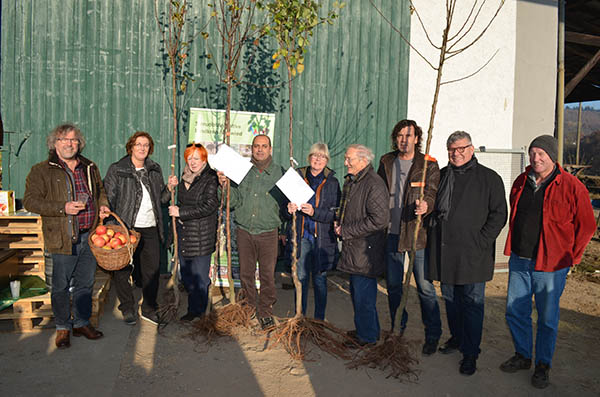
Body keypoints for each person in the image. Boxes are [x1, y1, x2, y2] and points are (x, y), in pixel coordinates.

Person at [500, 135, 596, 389]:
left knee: (546, 317)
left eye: (542, 153)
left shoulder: (572, 186)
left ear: (553, 157)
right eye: (533, 153)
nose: (536, 158)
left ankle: (543, 364)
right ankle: (523, 355)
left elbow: (586, 226)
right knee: (515, 311)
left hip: (552, 265)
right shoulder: (522, 181)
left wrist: (571, 257)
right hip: (520, 259)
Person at [427, 131, 507, 375]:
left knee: (472, 303)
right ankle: (457, 338)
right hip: (447, 253)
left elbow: (499, 214)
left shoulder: (489, 178)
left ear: (471, 149)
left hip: (474, 254)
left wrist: (481, 241)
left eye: (461, 148)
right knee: (451, 300)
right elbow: (432, 207)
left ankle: (471, 352)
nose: (456, 153)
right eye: (452, 149)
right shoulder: (441, 176)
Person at [23, 123, 110, 349]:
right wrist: (63, 207)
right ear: (54, 144)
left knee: (85, 283)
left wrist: (103, 206)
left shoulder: (89, 167)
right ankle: (63, 327)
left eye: (73, 140)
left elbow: (100, 192)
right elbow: (31, 201)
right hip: (61, 238)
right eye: (64, 140)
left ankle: (81, 322)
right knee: (60, 286)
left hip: (89, 235)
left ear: (79, 143)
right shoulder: (41, 170)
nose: (69, 144)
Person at [377, 119, 442, 355]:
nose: (404, 140)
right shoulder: (386, 161)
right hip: (392, 233)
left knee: (425, 287)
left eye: (409, 135)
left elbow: (432, 192)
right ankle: (398, 327)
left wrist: (426, 205)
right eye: (400, 135)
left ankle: (433, 334)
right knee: (394, 286)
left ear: (417, 138)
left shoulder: (428, 164)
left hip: (417, 235)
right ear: (396, 138)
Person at [217, 135, 286, 329]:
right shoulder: (241, 171)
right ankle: (248, 307)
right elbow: (233, 202)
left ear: (270, 149)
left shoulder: (280, 173)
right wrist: (224, 185)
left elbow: (288, 203)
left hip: (268, 232)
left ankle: (265, 311)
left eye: (264, 146)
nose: (260, 150)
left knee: (267, 275)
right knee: (246, 274)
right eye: (256, 146)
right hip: (245, 231)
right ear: (252, 149)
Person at [103, 131, 171, 326]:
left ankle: (149, 308)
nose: (142, 148)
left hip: (150, 226)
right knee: (122, 269)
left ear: (150, 149)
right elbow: (108, 196)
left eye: (146, 145)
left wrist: (170, 189)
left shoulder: (154, 169)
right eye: (139, 144)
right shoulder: (118, 169)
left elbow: (161, 200)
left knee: (152, 270)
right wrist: (108, 217)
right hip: (127, 227)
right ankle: (127, 307)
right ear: (131, 146)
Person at [336, 144, 389, 346]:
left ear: (363, 160)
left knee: (363, 298)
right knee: (359, 295)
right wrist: (339, 221)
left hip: (365, 252)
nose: (345, 162)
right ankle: (368, 331)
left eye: (349, 159)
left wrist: (347, 230)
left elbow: (379, 220)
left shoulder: (373, 184)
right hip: (356, 249)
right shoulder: (355, 181)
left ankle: (366, 338)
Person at [286, 143, 340, 320]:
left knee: (319, 279)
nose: (318, 159)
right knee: (300, 278)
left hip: (322, 237)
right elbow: (283, 210)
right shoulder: (297, 177)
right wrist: (289, 208)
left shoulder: (332, 182)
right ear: (309, 158)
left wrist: (314, 212)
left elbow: (335, 213)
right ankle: (300, 315)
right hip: (302, 236)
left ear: (327, 160)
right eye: (315, 156)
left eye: (322, 157)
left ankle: (319, 319)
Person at [168, 143, 219, 321]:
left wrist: (181, 212)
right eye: (189, 158)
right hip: (185, 234)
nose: (192, 162)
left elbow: (209, 206)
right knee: (188, 276)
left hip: (201, 236)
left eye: (196, 158)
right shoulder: (184, 178)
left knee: (200, 278)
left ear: (204, 159)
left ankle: (203, 313)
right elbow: (176, 200)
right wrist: (171, 187)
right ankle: (193, 309)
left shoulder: (210, 178)